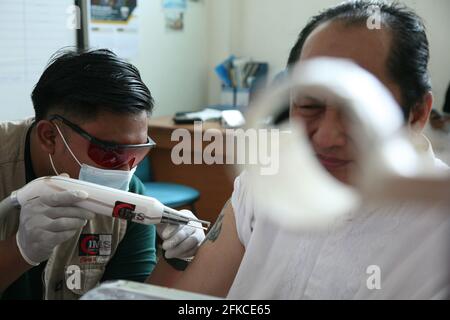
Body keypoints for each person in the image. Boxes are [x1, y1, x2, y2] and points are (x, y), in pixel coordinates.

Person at [163, 1, 450, 299]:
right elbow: (191, 301)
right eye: (309, 104)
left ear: (417, 114)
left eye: (357, 111)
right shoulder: (267, 181)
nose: (326, 137)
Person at [0, 49, 204, 300]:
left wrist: (177, 259)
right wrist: (18, 252)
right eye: (109, 152)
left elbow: (131, 294)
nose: (125, 169)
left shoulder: (131, 196)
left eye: (137, 153)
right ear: (50, 137)